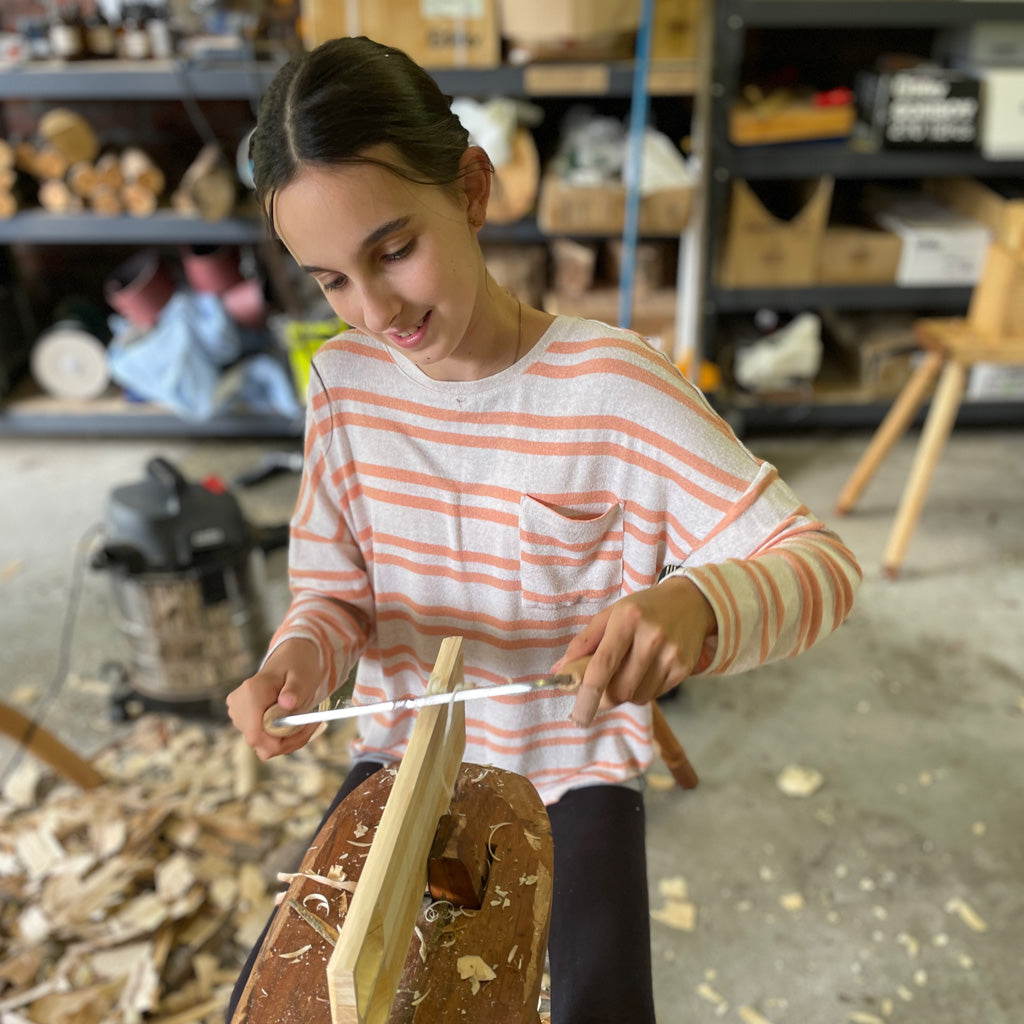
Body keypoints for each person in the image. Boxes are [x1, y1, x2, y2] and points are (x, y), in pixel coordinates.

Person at [226, 35, 862, 1024]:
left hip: (571, 769)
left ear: (472, 190)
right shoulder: (344, 382)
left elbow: (823, 567)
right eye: (332, 279)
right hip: (402, 754)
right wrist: (301, 657)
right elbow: (334, 593)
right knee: (292, 1001)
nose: (376, 309)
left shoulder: (611, 386)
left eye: (393, 250)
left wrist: (699, 602)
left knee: (599, 1006)